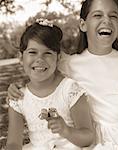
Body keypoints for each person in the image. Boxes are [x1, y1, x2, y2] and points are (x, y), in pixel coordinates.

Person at [7, 0, 118, 150]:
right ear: (83, 25)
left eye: (113, 16)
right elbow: (40, 69)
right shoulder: (70, 63)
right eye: (98, 15)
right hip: (91, 133)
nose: (106, 20)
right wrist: (16, 88)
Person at [6, 19, 94, 150]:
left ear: (58, 58)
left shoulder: (70, 90)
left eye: (47, 53)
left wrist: (66, 131)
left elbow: (88, 137)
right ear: (20, 57)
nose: (40, 59)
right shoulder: (18, 98)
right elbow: (14, 143)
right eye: (32, 52)